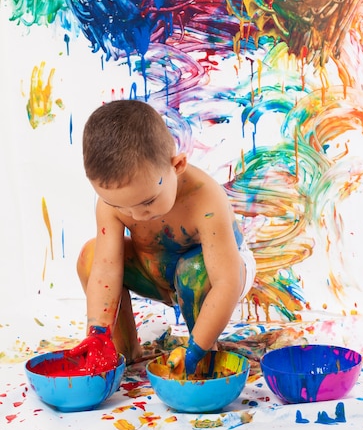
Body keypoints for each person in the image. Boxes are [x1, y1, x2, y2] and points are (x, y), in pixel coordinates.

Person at [70, 99, 256, 375]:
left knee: (193, 271)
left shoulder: (204, 199)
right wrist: (96, 332)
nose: (137, 214)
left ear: (177, 165)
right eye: (121, 206)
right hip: (154, 270)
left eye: (147, 202)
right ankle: (121, 350)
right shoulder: (111, 203)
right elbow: (106, 268)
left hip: (216, 274)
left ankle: (204, 352)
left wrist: (196, 349)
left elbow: (225, 282)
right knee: (91, 255)